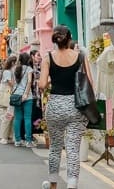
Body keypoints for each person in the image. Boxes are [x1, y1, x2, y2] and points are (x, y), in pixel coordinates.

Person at [39, 25, 92, 189]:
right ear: (69, 39)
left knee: (55, 147)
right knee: (73, 149)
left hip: (55, 106)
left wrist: (51, 80)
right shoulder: (81, 57)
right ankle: (71, 184)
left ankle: (53, 183)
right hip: (75, 107)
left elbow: (41, 85)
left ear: (55, 40)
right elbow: (89, 82)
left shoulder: (48, 58)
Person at [12, 52, 35, 148]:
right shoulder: (29, 69)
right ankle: (28, 141)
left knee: (17, 118)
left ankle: (17, 140)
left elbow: (13, 82)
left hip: (17, 95)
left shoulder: (16, 69)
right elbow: (29, 81)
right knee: (27, 118)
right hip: (27, 96)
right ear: (28, 59)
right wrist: (25, 93)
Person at [0, 55, 18, 144]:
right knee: (7, 116)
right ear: (13, 63)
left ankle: (8, 136)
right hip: (7, 96)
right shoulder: (7, 72)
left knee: (10, 116)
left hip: (10, 96)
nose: (18, 64)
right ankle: (3, 137)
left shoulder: (10, 71)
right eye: (16, 63)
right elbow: (11, 83)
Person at [30, 49, 44, 134]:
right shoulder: (31, 67)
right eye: (38, 55)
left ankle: (37, 129)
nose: (40, 57)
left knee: (38, 111)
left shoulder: (39, 66)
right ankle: (33, 130)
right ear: (32, 56)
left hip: (39, 94)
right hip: (33, 94)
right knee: (33, 112)